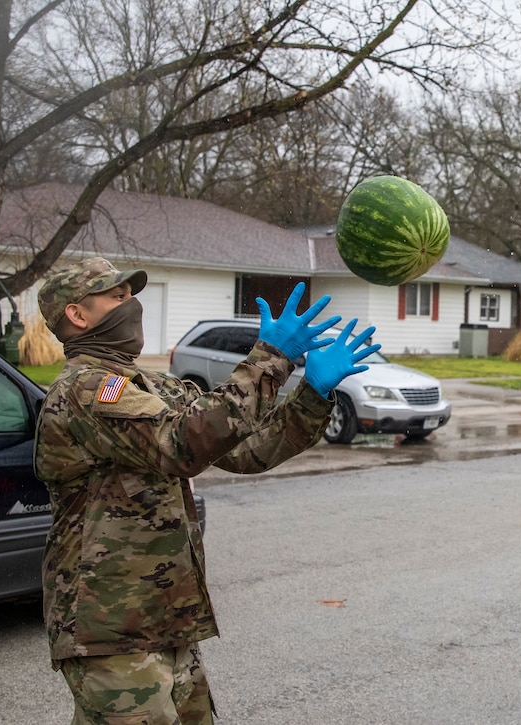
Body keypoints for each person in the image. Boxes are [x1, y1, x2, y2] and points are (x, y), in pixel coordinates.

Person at [34, 256, 379, 724]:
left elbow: (247, 450)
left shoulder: (154, 386)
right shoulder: (85, 392)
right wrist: (270, 357)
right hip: (109, 628)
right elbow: (183, 444)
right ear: (77, 314)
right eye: (116, 296)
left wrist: (313, 395)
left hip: (167, 619)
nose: (130, 303)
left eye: (130, 294)